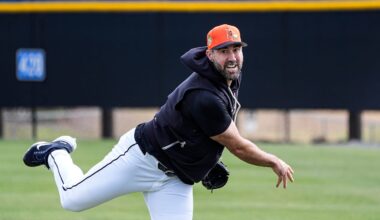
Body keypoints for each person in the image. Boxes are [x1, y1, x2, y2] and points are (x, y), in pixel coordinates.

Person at [23, 24, 294, 220]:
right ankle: (56, 152)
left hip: (174, 180)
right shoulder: (203, 96)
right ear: (210, 54)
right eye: (224, 50)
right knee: (72, 198)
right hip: (140, 158)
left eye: (236, 49)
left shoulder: (231, 75)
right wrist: (273, 160)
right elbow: (237, 145)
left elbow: (211, 131)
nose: (233, 56)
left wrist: (202, 159)